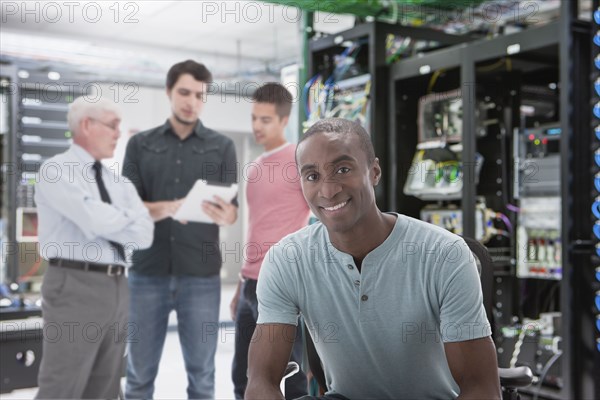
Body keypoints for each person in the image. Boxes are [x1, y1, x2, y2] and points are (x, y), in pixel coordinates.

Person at [246, 118, 502, 399]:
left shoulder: (445, 254)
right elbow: (261, 380)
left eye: (343, 169)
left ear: (374, 172)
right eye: (312, 176)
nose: (328, 190)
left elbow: (482, 388)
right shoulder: (287, 259)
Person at [123, 59, 238, 399]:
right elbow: (128, 208)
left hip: (201, 278)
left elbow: (232, 214)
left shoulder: (222, 147)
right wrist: (170, 207)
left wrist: (224, 215)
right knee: (139, 377)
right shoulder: (140, 145)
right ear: (169, 92)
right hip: (146, 274)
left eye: (200, 95)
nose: (192, 102)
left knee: (202, 377)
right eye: (185, 92)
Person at [34, 97, 154, 399]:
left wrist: (112, 218)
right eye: (113, 125)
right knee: (62, 384)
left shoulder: (118, 182)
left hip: (118, 285)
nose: (118, 133)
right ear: (86, 125)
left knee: (107, 386)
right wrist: (125, 218)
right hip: (75, 285)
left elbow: (145, 233)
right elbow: (94, 219)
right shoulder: (56, 170)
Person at [230, 83, 310, 399]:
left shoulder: (298, 159)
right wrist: (239, 283)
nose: (256, 126)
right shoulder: (255, 167)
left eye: (265, 119)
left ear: (283, 120)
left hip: (280, 284)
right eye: (254, 118)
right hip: (249, 284)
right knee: (242, 377)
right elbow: (256, 228)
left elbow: (323, 216)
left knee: (288, 377)